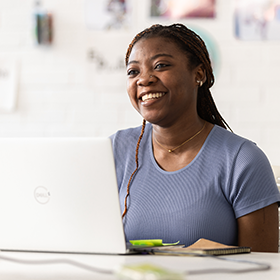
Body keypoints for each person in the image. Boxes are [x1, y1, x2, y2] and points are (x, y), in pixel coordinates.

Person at [110, 23, 280, 252]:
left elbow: (264, 267)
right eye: (133, 71)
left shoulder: (243, 160)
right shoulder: (113, 151)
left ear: (198, 74)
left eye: (160, 66)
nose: (144, 79)